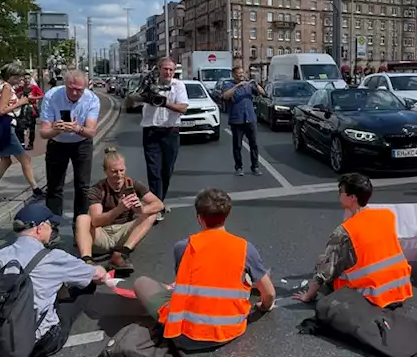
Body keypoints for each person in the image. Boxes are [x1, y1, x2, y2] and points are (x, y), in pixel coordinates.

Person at [131, 188, 275, 352]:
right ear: (226, 216)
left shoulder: (183, 247)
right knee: (250, 281)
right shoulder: (245, 248)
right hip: (230, 331)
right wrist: (263, 307)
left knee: (142, 283)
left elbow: (186, 282)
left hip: (185, 335)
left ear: (199, 218)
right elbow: (269, 294)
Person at [0, 203, 108, 357]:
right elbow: (97, 275)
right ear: (39, 228)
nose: (53, 230)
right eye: (51, 225)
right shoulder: (53, 257)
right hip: (37, 342)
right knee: (86, 285)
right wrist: (100, 270)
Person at [294, 173, 413, 307]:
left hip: (370, 295)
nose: (339, 194)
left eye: (341, 191)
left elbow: (326, 270)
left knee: (322, 260)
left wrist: (308, 296)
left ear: (352, 198)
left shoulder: (344, 231)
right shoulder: (387, 215)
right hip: (398, 288)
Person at [74, 146, 163, 272]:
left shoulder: (133, 184)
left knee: (152, 214)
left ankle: (121, 254)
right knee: (82, 218)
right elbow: (95, 221)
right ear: (106, 171)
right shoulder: (97, 189)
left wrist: (141, 210)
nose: (119, 175)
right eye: (114, 171)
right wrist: (119, 209)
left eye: (121, 170)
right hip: (103, 234)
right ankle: (87, 260)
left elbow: (159, 204)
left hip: (123, 232)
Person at [39, 70, 101, 234]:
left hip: (82, 143)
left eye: (79, 90)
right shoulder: (52, 96)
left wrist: (77, 128)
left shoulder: (92, 99)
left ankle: (79, 224)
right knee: (54, 186)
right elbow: (43, 132)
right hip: (57, 143)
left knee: (82, 186)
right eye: (71, 88)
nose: (74, 93)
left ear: (85, 88)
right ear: (64, 85)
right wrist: (55, 130)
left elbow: (91, 131)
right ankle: (53, 226)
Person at [135, 59, 188, 221]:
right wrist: (145, 96)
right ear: (159, 69)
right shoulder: (149, 82)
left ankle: (160, 202)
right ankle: (156, 208)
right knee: (154, 171)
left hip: (170, 132)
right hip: (151, 131)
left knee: (167, 171)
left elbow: (183, 108)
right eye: (165, 69)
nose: (168, 73)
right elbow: (132, 99)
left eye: (171, 70)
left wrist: (165, 103)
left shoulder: (178, 86)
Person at [0, 63, 42, 205]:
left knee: (6, 160)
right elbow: (2, 110)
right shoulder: (7, 87)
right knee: (25, 159)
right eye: (19, 78)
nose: (20, 80)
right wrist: (21, 102)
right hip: (4, 125)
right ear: (12, 76)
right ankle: (36, 189)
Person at [220, 67, 263, 176]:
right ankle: (238, 167)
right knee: (237, 146)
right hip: (237, 120)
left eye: (242, 72)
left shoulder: (249, 85)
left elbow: (263, 93)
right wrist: (237, 86)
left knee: (254, 144)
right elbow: (225, 96)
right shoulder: (228, 85)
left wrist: (256, 84)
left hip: (250, 118)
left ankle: (255, 167)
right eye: (239, 73)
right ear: (234, 75)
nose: (241, 75)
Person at [16, 73, 44, 150]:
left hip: (31, 109)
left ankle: (31, 144)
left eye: (28, 78)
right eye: (25, 78)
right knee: (21, 126)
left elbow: (41, 95)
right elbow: (16, 95)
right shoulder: (21, 88)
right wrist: (21, 94)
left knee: (31, 128)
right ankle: (22, 143)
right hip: (22, 108)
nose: (27, 80)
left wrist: (33, 97)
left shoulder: (34, 87)